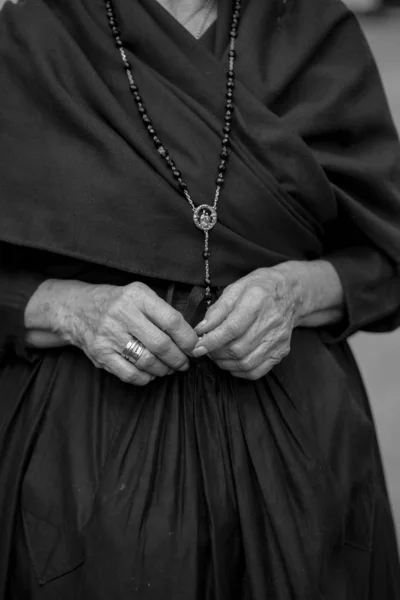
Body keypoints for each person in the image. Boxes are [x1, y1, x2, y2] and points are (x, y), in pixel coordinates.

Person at [1, 0, 400, 597]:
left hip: (302, 472)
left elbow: (383, 256)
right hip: (83, 481)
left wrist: (293, 292)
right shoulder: (29, 40)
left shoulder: (313, 29)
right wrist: (69, 309)